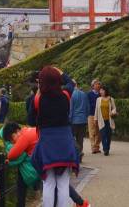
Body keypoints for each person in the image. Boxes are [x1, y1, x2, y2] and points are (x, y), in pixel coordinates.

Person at [0, 122, 91, 207]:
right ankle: (82, 203)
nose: (13, 142)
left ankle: (81, 203)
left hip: (50, 161)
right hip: (56, 156)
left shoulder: (24, 136)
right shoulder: (30, 130)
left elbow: (11, 154)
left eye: (12, 139)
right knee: (61, 183)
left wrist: (8, 158)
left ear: (17, 132)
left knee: (54, 185)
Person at [32, 66, 80, 207]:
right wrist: (60, 72)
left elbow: (31, 120)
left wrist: (39, 89)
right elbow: (71, 83)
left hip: (47, 144)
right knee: (63, 183)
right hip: (64, 143)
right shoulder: (65, 95)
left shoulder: (38, 99)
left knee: (48, 183)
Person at [94, 85, 117, 156]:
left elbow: (114, 108)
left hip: (109, 120)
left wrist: (112, 112)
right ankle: (105, 150)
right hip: (101, 120)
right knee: (103, 135)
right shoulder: (98, 99)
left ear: (105, 91)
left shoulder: (111, 99)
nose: (100, 91)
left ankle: (108, 148)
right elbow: (96, 110)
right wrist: (95, 119)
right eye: (100, 90)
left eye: (102, 90)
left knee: (108, 135)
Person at [70, 79, 89, 161]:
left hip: (74, 120)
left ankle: (77, 152)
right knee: (80, 139)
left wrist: (69, 119)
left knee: (71, 138)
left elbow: (71, 109)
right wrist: (86, 117)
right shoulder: (84, 94)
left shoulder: (72, 95)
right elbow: (87, 107)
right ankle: (79, 155)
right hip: (83, 120)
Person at [87, 79, 101, 154]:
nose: (98, 85)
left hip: (99, 115)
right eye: (97, 84)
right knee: (92, 131)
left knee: (99, 131)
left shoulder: (101, 94)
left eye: (99, 84)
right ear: (93, 86)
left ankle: (97, 146)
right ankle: (93, 147)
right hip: (91, 114)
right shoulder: (89, 94)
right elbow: (88, 104)